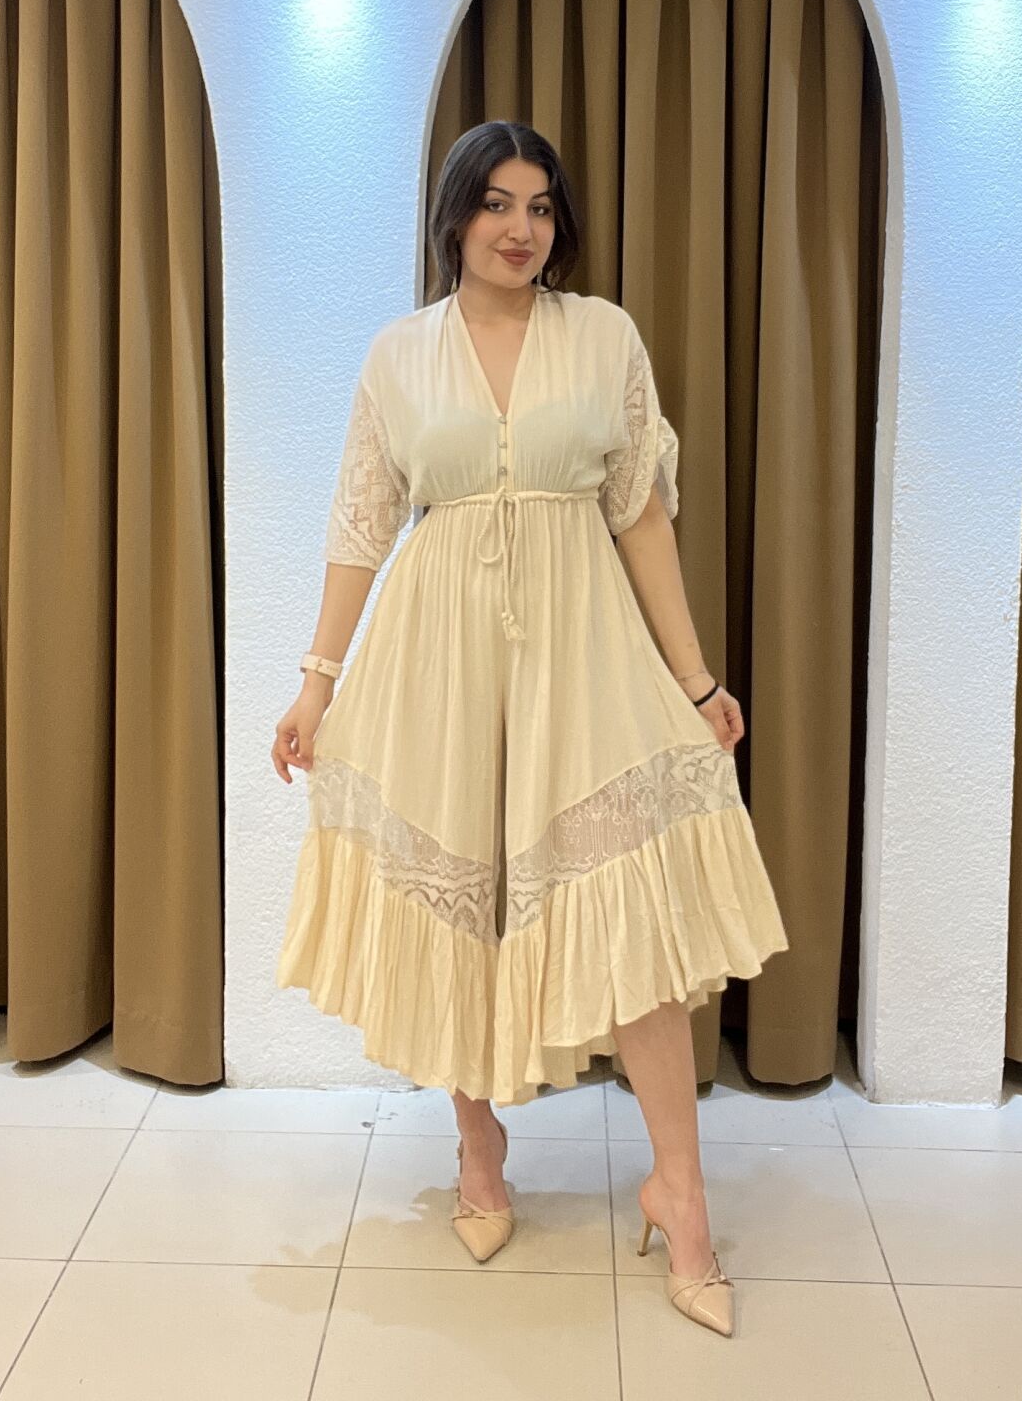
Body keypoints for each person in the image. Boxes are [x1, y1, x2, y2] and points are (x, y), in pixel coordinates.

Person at [272, 120, 789, 1337]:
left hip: (583, 654)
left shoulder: (603, 335)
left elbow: (639, 515)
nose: (521, 228)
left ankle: (681, 1195)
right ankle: (478, 1147)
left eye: (542, 207)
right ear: (454, 215)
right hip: (437, 658)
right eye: (498, 203)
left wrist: (696, 679)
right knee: (464, 907)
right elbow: (362, 525)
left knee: (635, 926)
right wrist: (317, 681)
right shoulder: (399, 356)